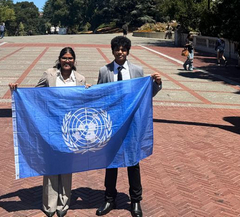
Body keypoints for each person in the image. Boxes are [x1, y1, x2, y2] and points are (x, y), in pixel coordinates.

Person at [9, 47, 87, 217]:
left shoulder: (80, 79)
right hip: (51, 128)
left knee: (66, 165)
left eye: (70, 58)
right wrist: (18, 91)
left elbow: (83, 102)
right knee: (51, 165)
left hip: (70, 130)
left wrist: (89, 90)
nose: (67, 61)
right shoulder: (49, 74)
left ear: (74, 60)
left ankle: (64, 203)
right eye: (64, 58)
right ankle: (50, 204)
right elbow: (35, 94)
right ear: (59, 59)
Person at [96, 36, 162, 217]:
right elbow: (100, 95)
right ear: (112, 51)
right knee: (110, 163)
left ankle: (135, 202)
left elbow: (146, 94)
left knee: (133, 162)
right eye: (117, 49)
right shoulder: (105, 71)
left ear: (128, 51)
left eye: (123, 49)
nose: (120, 52)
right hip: (112, 124)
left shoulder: (137, 70)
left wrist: (156, 84)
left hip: (132, 124)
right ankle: (109, 199)